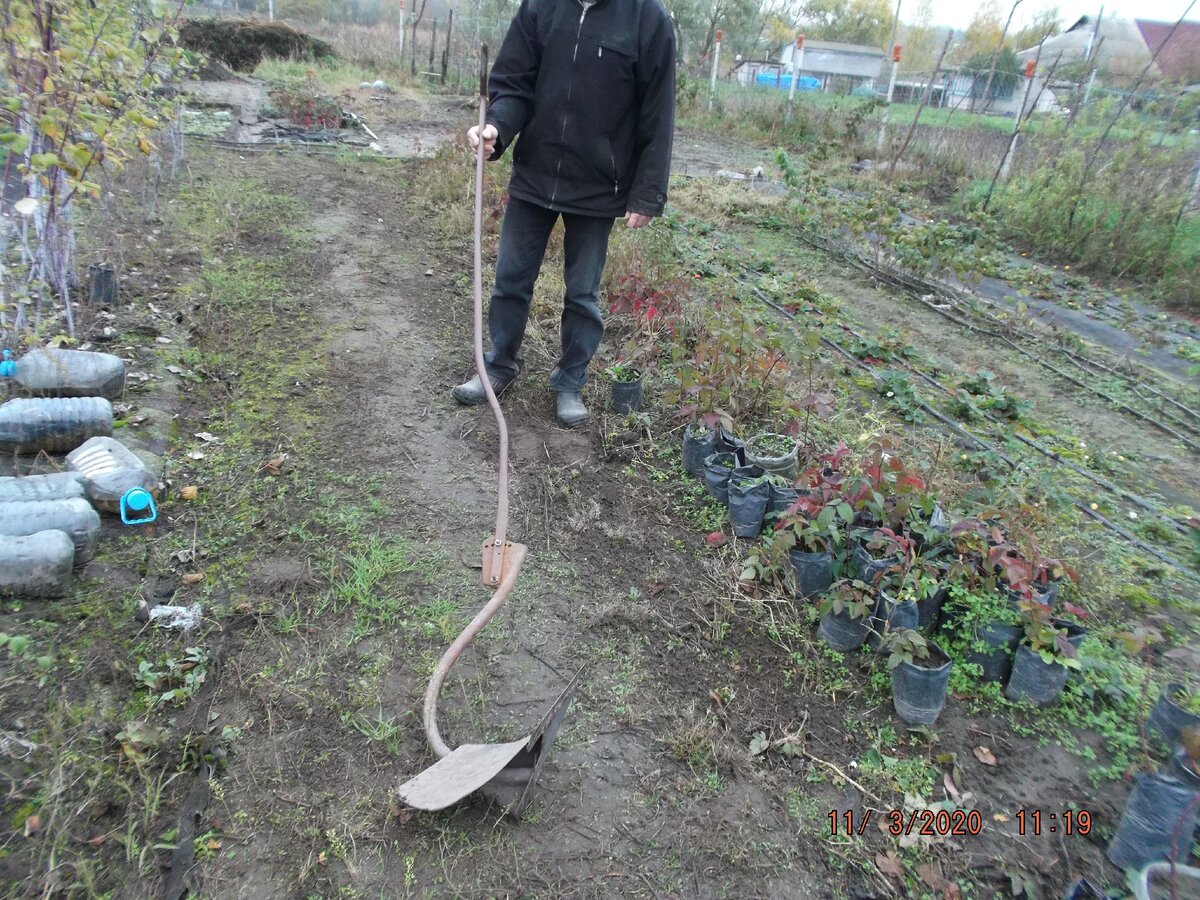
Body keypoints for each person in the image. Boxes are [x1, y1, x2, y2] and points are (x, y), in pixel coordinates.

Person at [452, 0, 676, 427]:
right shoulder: (540, 7)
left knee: (582, 293)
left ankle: (570, 382)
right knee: (511, 281)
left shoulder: (647, 18)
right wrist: (496, 127)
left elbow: (658, 111)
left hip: (597, 184)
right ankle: (498, 366)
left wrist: (647, 193)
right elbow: (515, 83)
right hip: (535, 174)